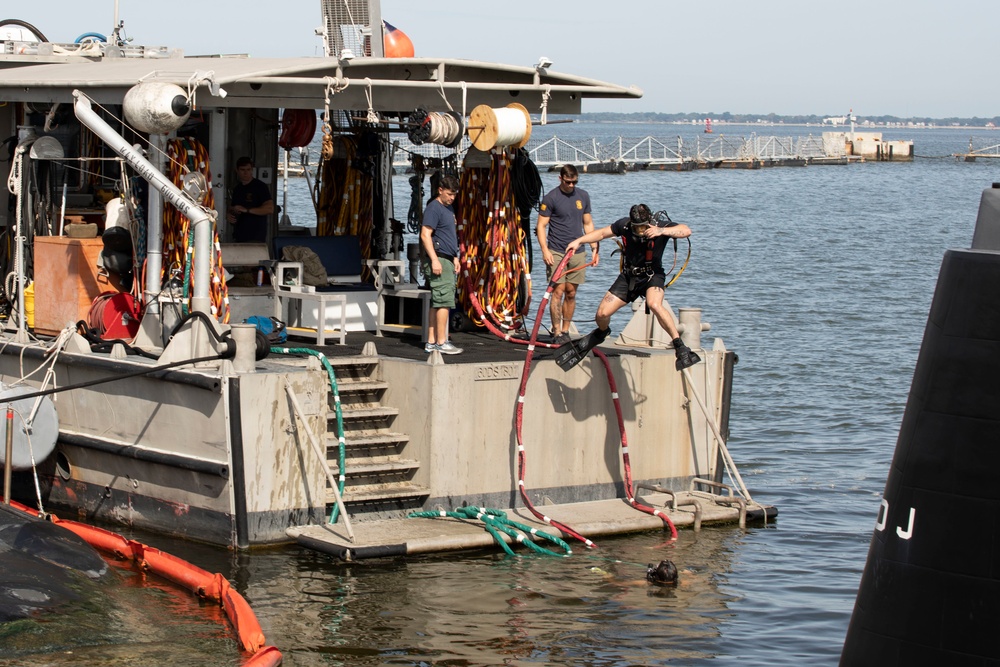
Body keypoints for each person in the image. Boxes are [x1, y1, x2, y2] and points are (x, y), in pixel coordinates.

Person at [564, 203, 701, 371]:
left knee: (655, 304)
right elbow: (601, 233)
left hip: (652, 275)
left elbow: (686, 230)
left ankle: (680, 346)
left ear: (649, 222)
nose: (641, 231)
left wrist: (662, 231)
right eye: (637, 227)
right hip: (629, 276)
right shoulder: (624, 225)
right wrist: (578, 241)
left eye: (644, 227)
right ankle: (601, 332)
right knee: (602, 313)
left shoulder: (659, 227)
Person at [536, 164, 599, 345]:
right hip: (556, 251)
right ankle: (556, 331)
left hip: (578, 252)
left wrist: (595, 248)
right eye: (568, 182)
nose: (571, 185)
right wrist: (544, 249)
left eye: (574, 182)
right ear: (560, 179)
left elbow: (588, 224)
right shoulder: (551, 198)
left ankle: (565, 330)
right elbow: (541, 226)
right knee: (558, 291)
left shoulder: (583, 196)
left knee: (571, 292)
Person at [419, 174, 463, 355]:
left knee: (437, 302)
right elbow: (425, 234)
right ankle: (441, 341)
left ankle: (431, 341)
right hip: (439, 259)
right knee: (444, 301)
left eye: (454, 194)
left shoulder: (449, 208)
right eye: (449, 194)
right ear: (440, 191)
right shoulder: (434, 208)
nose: (452, 198)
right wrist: (435, 259)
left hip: (447, 257)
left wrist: (455, 257)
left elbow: (448, 236)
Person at [227, 157, 274, 243]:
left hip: (255, 236)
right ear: (237, 170)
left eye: (248, 170)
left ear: (252, 170)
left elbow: (270, 209)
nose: (246, 173)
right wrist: (229, 215)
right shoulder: (237, 189)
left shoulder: (260, 187)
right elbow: (232, 207)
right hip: (239, 235)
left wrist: (247, 210)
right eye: (242, 170)